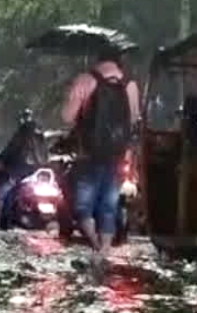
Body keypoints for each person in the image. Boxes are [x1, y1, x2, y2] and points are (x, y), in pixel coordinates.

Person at [60, 46, 140, 257]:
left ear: (98, 58)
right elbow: (133, 120)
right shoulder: (130, 85)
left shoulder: (85, 80)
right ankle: (105, 248)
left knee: (82, 204)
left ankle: (94, 243)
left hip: (89, 153)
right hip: (117, 154)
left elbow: (67, 117)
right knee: (108, 204)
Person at [0, 108, 49, 226]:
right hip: (35, 172)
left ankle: (0, 221)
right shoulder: (39, 137)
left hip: (19, 172)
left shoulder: (21, 137)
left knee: (2, 193)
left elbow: (9, 151)